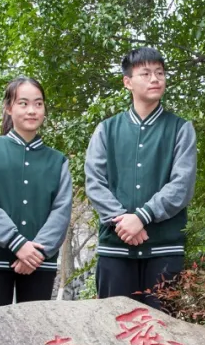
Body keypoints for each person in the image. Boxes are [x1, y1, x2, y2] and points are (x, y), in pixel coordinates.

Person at [84, 47, 196, 309]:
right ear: (128, 82)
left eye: (160, 73)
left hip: (164, 248)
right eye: (145, 73)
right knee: (112, 325)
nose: (155, 79)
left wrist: (142, 216)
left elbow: (182, 185)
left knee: (163, 329)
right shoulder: (106, 129)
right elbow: (94, 181)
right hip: (115, 248)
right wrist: (122, 221)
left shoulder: (181, 129)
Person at [0, 76, 72, 309]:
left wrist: (36, 251)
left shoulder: (57, 161)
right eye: (23, 103)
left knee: (35, 328)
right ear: (9, 108)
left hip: (40, 259)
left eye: (38, 103)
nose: (32, 110)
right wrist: (17, 243)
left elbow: (61, 210)